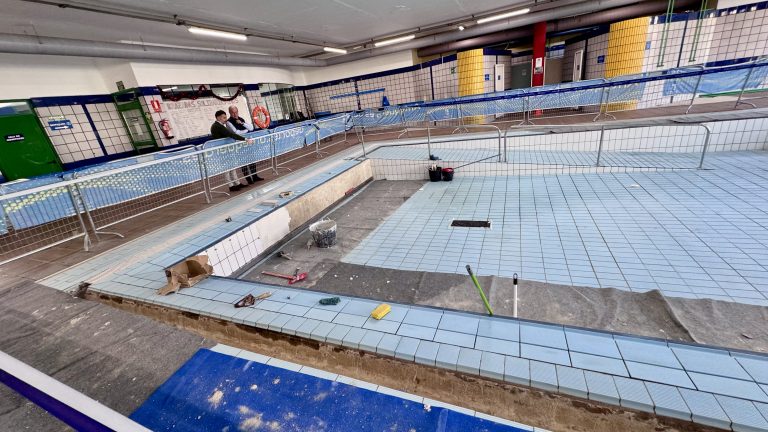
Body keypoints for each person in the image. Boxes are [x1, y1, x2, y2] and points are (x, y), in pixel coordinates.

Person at [210, 110, 252, 192]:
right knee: (227, 168)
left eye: (226, 117)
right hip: (222, 150)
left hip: (226, 149)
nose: (226, 119)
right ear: (218, 117)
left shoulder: (220, 125)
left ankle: (237, 183)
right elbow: (231, 134)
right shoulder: (217, 126)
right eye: (224, 117)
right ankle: (231, 185)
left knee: (232, 166)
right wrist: (245, 139)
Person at [226, 105, 263, 184]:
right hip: (239, 145)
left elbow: (251, 128)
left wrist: (242, 123)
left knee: (252, 160)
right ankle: (249, 179)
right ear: (229, 113)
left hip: (247, 143)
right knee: (244, 163)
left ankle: (255, 176)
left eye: (236, 112)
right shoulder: (228, 122)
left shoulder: (241, 119)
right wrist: (246, 130)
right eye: (233, 113)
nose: (235, 114)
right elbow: (236, 132)